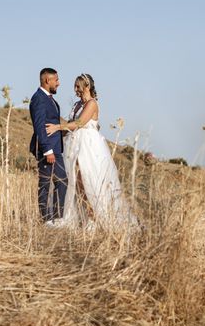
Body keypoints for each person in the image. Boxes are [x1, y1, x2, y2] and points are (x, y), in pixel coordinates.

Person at [45, 73, 134, 229]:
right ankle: (81, 217)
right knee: (75, 182)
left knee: (88, 181)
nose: (76, 90)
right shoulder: (77, 105)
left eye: (78, 86)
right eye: (75, 87)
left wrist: (58, 127)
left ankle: (94, 219)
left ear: (87, 86)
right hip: (74, 146)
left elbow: (79, 123)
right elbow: (71, 125)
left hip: (89, 147)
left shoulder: (92, 104)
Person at [29, 68, 67, 226]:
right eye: (56, 80)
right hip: (48, 150)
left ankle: (57, 218)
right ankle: (47, 220)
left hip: (55, 148)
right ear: (47, 80)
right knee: (46, 184)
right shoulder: (39, 98)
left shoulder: (49, 99)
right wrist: (47, 150)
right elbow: (39, 126)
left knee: (61, 181)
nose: (58, 83)